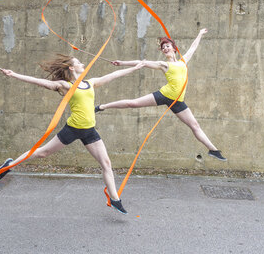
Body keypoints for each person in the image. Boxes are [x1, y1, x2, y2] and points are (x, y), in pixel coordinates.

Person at [0, 54, 145, 214]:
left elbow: (112, 76)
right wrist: (14, 75)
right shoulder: (66, 85)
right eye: (79, 63)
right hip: (73, 129)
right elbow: (41, 82)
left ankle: (115, 199)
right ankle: (9, 165)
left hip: (89, 130)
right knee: (43, 153)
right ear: (72, 68)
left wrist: (133, 68)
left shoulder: (90, 83)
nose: (83, 64)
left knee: (106, 164)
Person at [95, 28, 227, 161]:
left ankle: (213, 150)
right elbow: (143, 63)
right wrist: (122, 63)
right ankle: (102, 106)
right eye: (163, 48)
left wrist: (199, 34)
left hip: (178, 101)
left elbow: (193, 47)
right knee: (132, 103)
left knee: (195, 125)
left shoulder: (183, 61)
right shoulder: (164, 65)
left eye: (167, 46)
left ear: (174, 48)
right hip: (165, 95)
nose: (165, 49)